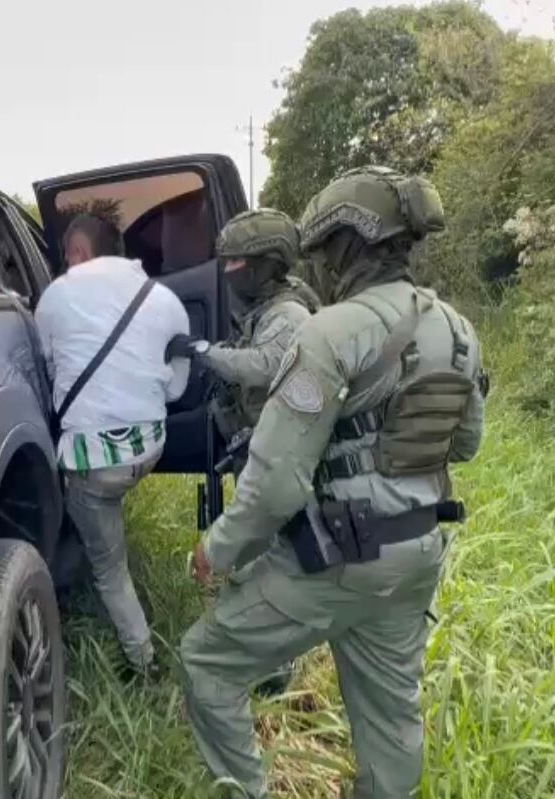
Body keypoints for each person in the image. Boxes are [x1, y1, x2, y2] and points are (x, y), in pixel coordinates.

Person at [178, 166, 487, 799]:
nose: (317, 264)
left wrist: (217, 549)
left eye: (323, 250)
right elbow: (465, 444)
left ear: (345, 245)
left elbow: (275, 486)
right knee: (392, 717)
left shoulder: (329, 332)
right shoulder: (458, 330)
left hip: (338, 559)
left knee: (205, 661)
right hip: (419, 554)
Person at [166, 208, 319, 697]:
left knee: (270, 556)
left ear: (265, 265)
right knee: (261, 553)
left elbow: (261, 366)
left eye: (237, 264)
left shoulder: (289, 314)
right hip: (257, 443)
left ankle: (277, 666)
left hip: (279, 450)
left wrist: (203, 351)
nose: (228, 272)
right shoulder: (265, 311)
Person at [36, 213, 191, 679]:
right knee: (107, 498)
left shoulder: (53, 298)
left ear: (77, 253)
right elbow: (177, 390)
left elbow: (49, 374)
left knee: (110, 569)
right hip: (149, 449)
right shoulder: (166, 300)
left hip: (94, 465)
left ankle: (143, 664)